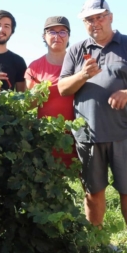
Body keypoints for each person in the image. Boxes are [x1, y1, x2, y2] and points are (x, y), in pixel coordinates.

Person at [59, 0, 127, 253]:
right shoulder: (77, 50)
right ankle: (97, 245)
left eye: (100, 17)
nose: (95, 23)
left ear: (110, 17)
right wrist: (83, 74)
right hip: (88, 133)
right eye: (89, 19)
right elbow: (63, 88)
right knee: (93, 192)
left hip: (125, 132)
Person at [24, 16, 78, 167]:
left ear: (68, 36)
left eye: (62, 32)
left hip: (77, 135)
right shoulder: (34, 67)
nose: (57, 36)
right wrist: (38, 93)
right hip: (47, 138)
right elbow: (28, 105)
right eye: (52, 31)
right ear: (44, 36)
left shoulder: (79, 65)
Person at [0, 10, 26, 92]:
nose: (1, 29)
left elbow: (21, 96)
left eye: (6, 26)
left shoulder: (18, 61)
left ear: (12, 32)